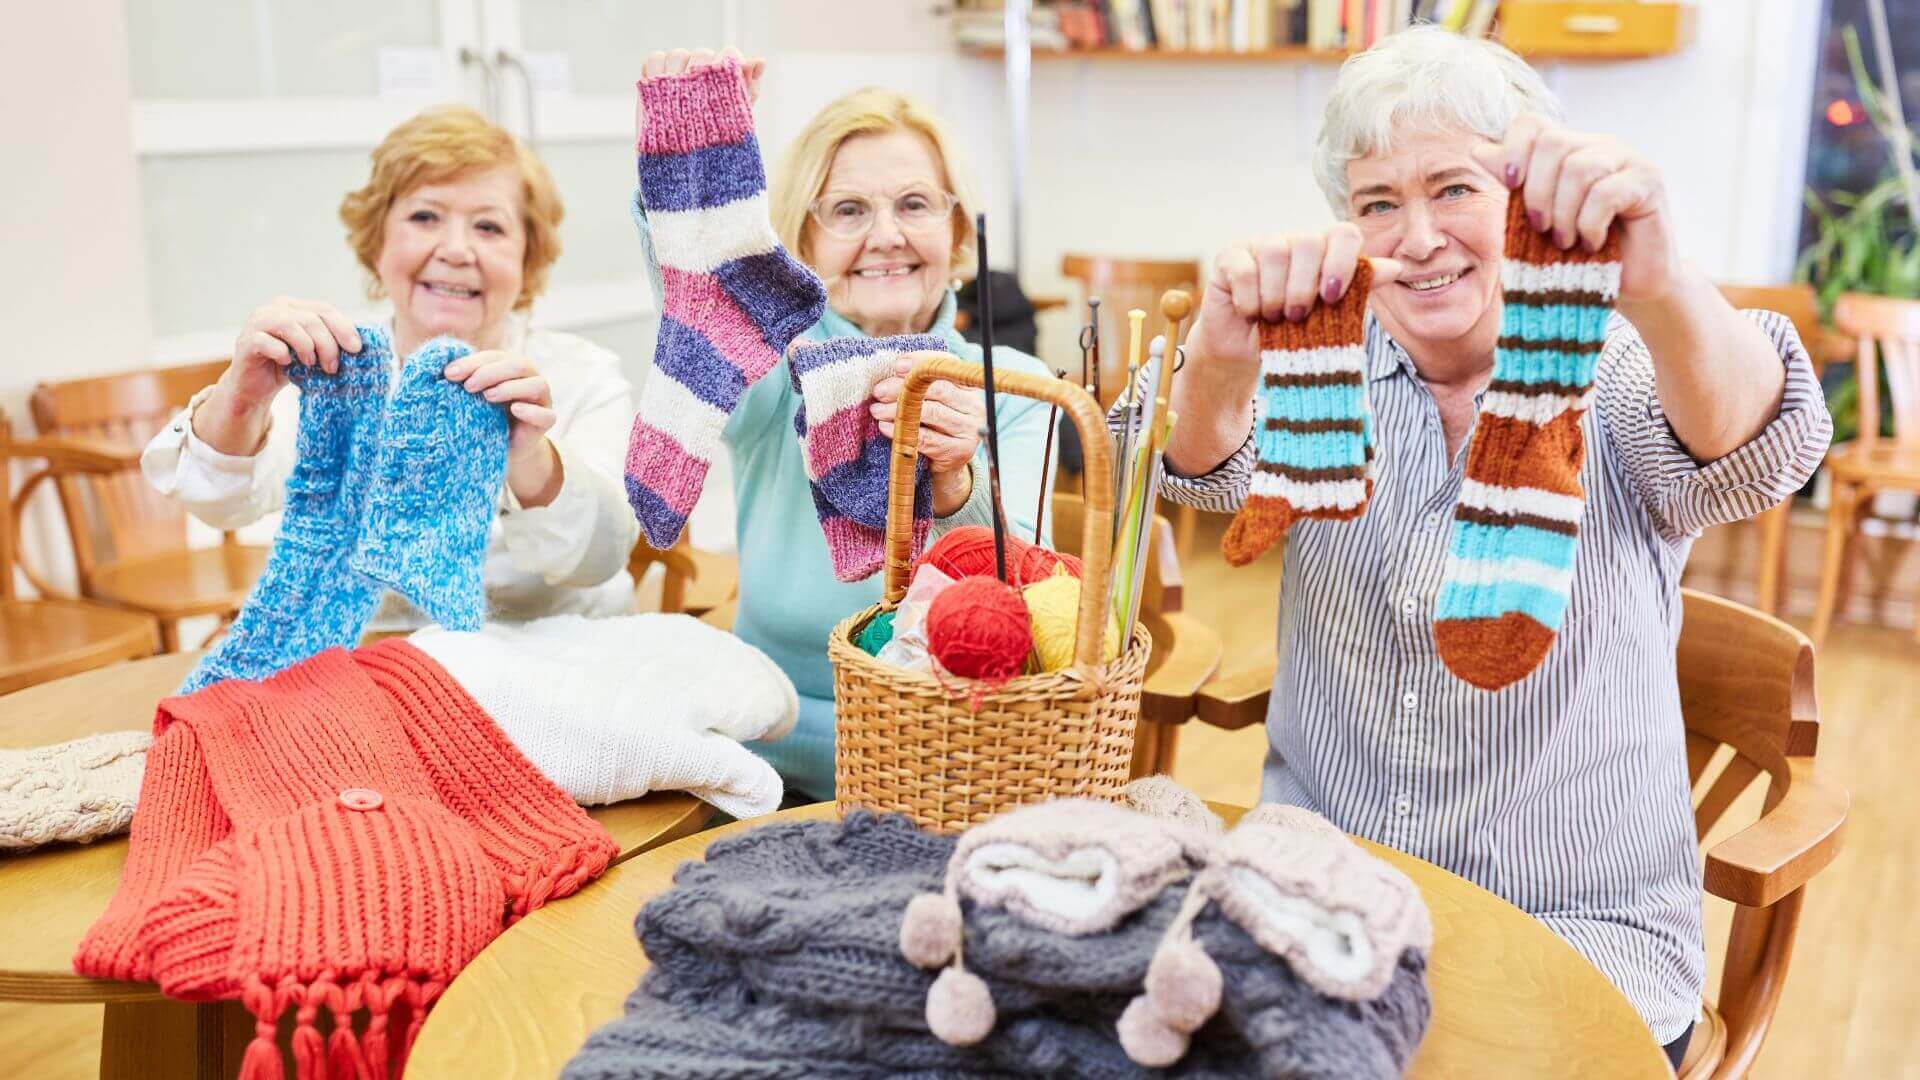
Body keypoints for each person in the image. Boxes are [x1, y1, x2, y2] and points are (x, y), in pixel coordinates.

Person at [1147, 28, 1831, 1067]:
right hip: (1320, 889)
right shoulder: (1322, 365)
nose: (1417, 238)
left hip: (1577, 927)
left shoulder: (1608, 365)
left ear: (1525, 198)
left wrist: (1659, 281)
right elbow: (1190, 470)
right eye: (1379, 204)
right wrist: (1216, 362)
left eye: (1454, 189)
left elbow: (1758, 449)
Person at [631, 49, 1058, 802]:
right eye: (850, 210)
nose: (888, 235)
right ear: (805, 238)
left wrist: (957, 482)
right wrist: (685, 152)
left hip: (949, 755)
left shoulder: (1016, 385)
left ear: (957, 232)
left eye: (916, 205)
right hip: (767, 749)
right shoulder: (773, 356)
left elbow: (1027, 598)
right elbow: (701, 303)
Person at [142, 106, 639, 628]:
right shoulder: (335, 365)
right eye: (425, 217)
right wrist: (242, 397)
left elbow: (599, 558)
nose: (455, 249)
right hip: (371, 659)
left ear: (526, 258)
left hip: (551, 652)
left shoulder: (583, 376)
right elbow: (219, 503)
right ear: (378, 241)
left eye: (489, 227)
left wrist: (530, 457)